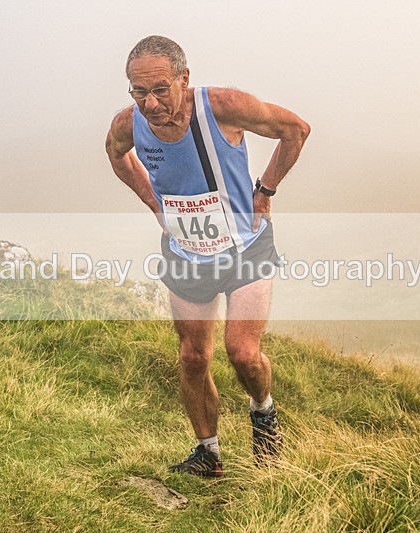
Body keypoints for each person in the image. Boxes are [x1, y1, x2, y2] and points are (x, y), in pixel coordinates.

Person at [105, 35, 310, 477]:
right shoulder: (129, 124)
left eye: (161, 89)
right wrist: (153, 203)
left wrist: (266, 189)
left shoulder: (222, 106)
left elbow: (296, 130)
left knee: (242, 352)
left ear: (185, 78)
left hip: (245, 247)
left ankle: (263, 412)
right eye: (139, 92)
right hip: (186, 251)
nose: (151, 103)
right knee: (193, 356)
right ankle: (208, 454)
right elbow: (116, 154)